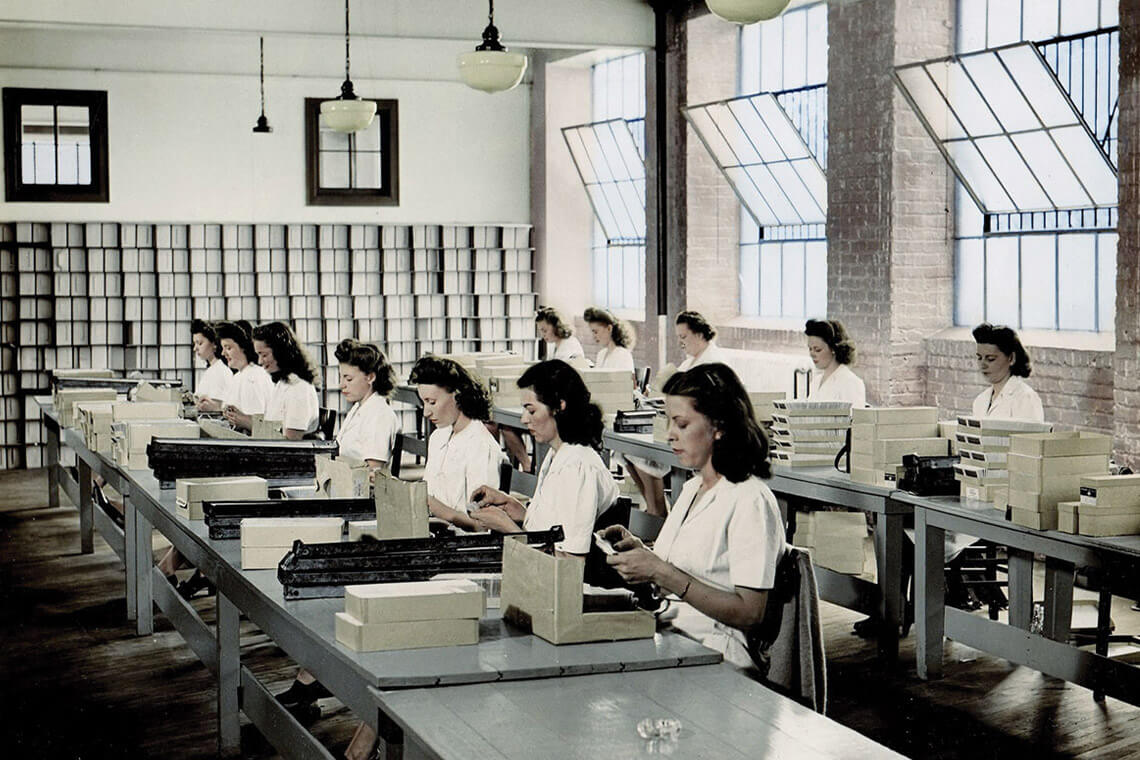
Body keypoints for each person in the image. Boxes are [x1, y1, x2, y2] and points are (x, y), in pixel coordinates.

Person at [602, 363, 784, 669]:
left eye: (682, 424)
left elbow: (751, 613)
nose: (670, 435)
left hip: (720, 655)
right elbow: (683, 567)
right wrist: (641, 553)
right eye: (669, 422)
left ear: (719, 426)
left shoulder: (750, 499)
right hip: (674, 637)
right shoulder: (692, 488)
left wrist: (660, 572)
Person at [466, 360, 619, 556]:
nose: (523, 419)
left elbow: (569, 561)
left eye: (531, 410)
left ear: (559, 406)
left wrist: (508, 528)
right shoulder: (558, 453)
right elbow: (555, 526)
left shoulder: (577, 467)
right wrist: (514, 507)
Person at [623, 310, 728, 517]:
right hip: (684, 428)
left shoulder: (714, 362)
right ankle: (654, 508)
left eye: (684, 337)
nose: (681, 343)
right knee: (630, 451)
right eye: (678, 338)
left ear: (699, 334)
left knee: (646, 454)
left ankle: (657, 510)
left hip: (701, 437)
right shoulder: (689, 362)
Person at [410, 355, 507, 531]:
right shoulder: (438, 436)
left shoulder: (480, 446)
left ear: (458, 396)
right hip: (432, 530)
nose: (426, 412)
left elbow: (482, 526)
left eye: (431, 402)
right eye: (423, 403)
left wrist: (439, 509)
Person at [244, 321, 320, 440]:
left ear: (281, 352)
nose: (259, 361)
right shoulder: (283, 383)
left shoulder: (299, 388)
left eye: (264, 355)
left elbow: (291, 442)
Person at [333, 339, 399, 468]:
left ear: (370, 377)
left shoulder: (379, 416)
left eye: (349, 379)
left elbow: (373, 473)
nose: (341, 385)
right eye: (341, 377)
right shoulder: (359, 407)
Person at [971, 322, 1043, 421]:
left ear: (1011, 358)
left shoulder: (1025, 398)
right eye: (979, 358)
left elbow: (1031, 436)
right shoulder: (980, 400)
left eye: (990, 359)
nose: (982, 364)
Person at [217, 320, 273, 428]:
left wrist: (239, 419)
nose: (223, 353)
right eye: (223, 348)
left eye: (228, 348)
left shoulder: (254, 377)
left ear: (243, 347)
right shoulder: (239, 376)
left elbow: (259, 425)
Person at [804, 318, 865, 406]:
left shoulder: (851, 383)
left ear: (833, 349)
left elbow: (857, 418)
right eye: (810, 349)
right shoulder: (816, 382)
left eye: (817, 350)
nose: (812, 354)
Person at [191, 318, 232, 412]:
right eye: (195, 344)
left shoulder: (221, 371)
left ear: (214, 344)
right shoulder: (212, 369)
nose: (195, 348)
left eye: (200, 343)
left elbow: (219, 408)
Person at [583, 306, 636, 373]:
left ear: (609, 328)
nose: (594, 336)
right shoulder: (601, 354)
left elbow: (625, 382)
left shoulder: (623, 355)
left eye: (596, 332)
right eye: (592, 332)